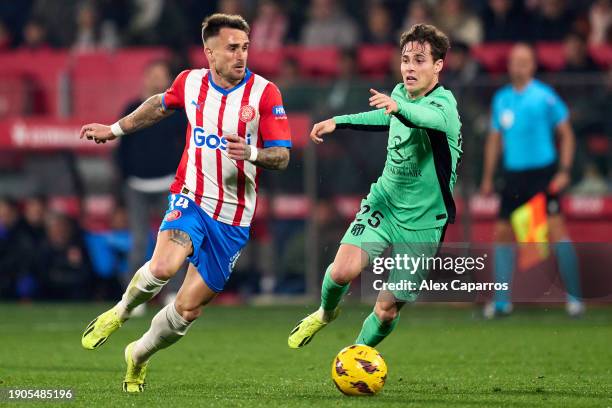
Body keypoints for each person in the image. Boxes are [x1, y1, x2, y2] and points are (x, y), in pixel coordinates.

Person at [79, 13, 291, 392]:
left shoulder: (264, 93)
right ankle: (121, 311)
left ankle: (138, 355)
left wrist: (254, 154)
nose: (240, 55)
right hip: (190, 197)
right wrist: (113, 130)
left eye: (244, 47)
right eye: (231, 48)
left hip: (233, 219)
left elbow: (283, 156)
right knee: (162, 266)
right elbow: (159, 105)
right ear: (210, 52)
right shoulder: (190, 82)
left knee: (187, 310)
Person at [288, 24, 462, 349]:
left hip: (424, 220)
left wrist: (399, 108)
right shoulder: (397, 95)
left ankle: (357, 355)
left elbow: (422, 119)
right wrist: (338, 121)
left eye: (420, 60)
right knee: (342, 271)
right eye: (406, 59)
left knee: (385, 310)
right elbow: (385, 118)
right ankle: (325, 313)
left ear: (438, 65)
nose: (410, 67)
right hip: (385, 201)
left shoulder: (444, 108)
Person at [480, 43, 584, 318]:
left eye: (524, 61)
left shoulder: (545, 96)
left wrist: (564, 170)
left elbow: (567, 134)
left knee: (555, 231)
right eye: (514, 60)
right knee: (502, 233)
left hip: (543, 174)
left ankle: (575, 299)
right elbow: (494, 139)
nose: (519, 65)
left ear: (532, 65)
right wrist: (488, 177)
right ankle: (502, 302)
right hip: (513, 176)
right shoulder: (501, 98)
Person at [115, 59, 186, 298]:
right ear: (145, 77)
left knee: (175, 240)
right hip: (136, 185)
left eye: (162, 74)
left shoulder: (176, 112)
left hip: (169, 185)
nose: (157, 79)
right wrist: (123, 182)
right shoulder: (131, 108)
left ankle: (174, 293)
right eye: (153, 74)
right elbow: (122, 149)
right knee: (137, 242)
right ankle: (133, 296)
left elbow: (188, 144)